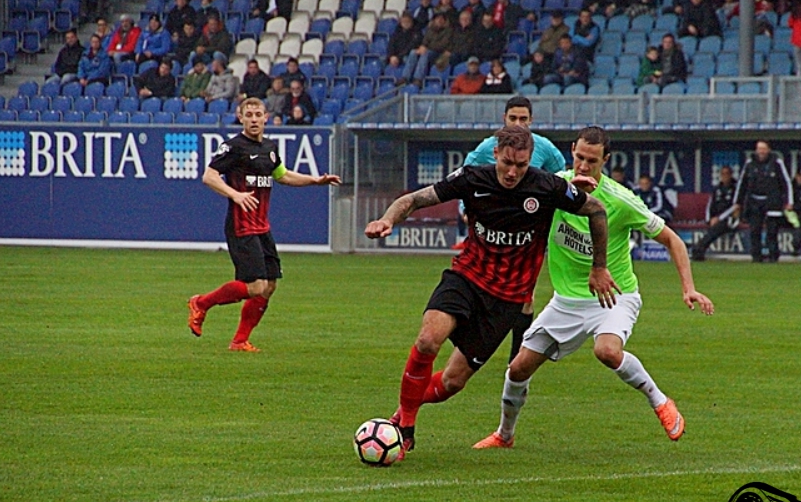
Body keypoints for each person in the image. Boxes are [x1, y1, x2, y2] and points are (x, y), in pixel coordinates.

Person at [365, 126, 615, 457]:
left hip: (506, 300)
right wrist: (387, 219)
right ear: (495, 153)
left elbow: (596, 210)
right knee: (428, 339)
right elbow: (413, 200)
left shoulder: (546, 186)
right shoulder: (472, 178)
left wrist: (599, 267)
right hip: (467, 278)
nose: (512, 172)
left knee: (452, 384)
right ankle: (406, 428)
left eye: (521, 165)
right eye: (507, 163)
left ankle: (400, 412)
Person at [473, 126, 714, 450]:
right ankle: (504, 435)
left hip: (613, 296)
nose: (584, 166)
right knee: (517, 368)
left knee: (607, 351)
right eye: (579, 157)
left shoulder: (620, 200)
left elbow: (671, 239)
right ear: (572, 151)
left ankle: (660, 401)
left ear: (605, 160)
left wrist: (689, 288)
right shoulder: (555, 185)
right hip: (567, 301)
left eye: (592, 160)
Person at [188, 98, 342, 352]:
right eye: (249, 114)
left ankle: (239, 341)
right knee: (256, 286)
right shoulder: (233, 147)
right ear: (241, 117)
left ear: (266, 117)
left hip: (261, 227)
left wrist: (315, 180)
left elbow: (283, 175)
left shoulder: (269, 148)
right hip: (241, 225)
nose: (254, 119)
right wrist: (235, 195)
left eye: (258, 114)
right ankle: (201, 303)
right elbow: (209, 176)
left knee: (269, 286)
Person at [462, 96, 566, 359]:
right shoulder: (488, 147)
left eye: (523, 119)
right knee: (483, 287)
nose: (518, 124)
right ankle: (472, 343)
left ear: (531, 120)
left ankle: (516, 357)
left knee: (524, 297)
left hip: (527, 236)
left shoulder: (544, 148)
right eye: (513, 118)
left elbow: (561, 177)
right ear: (504, 119)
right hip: (493, 232)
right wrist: (466, 211)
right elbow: (465, 177)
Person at [732, 140, 793, 263]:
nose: (761, 152)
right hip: (755, 201)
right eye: (759, 149)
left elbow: (786, 183)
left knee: (772, 231)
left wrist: (789, 201)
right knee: (755, 230)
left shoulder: (776, 162)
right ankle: (756, 257)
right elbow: (742, 184)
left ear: (769, 150)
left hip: (772, 201)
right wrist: (737, 202)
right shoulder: (750, 163)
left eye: (763, 149)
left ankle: (773, 256)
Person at [690, 165, 739, 261]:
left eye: (727, 174)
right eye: (723, 174)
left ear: (731, 175)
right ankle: (698, 250)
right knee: (714, 228)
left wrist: (719, 218)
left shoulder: (735, 189)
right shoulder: (717, 189)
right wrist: (709, 219)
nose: (725, 176)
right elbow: (710, 205)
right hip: (715, 219)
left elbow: (736, 206)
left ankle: (698, 249)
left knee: (717, 227)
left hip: (730, 219)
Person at [399, 13, 452, 86]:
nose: (439, 20)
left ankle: (418, 78)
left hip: (439, 53)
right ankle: (405, 77)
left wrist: (426, 48)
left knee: (425, 54)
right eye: (437, 19)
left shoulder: (448, 31)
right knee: (413, 52)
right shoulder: (430, 29)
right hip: (428, 50)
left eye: (441, 19)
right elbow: (425, 41)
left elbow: (443, 45)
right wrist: (422, 46)